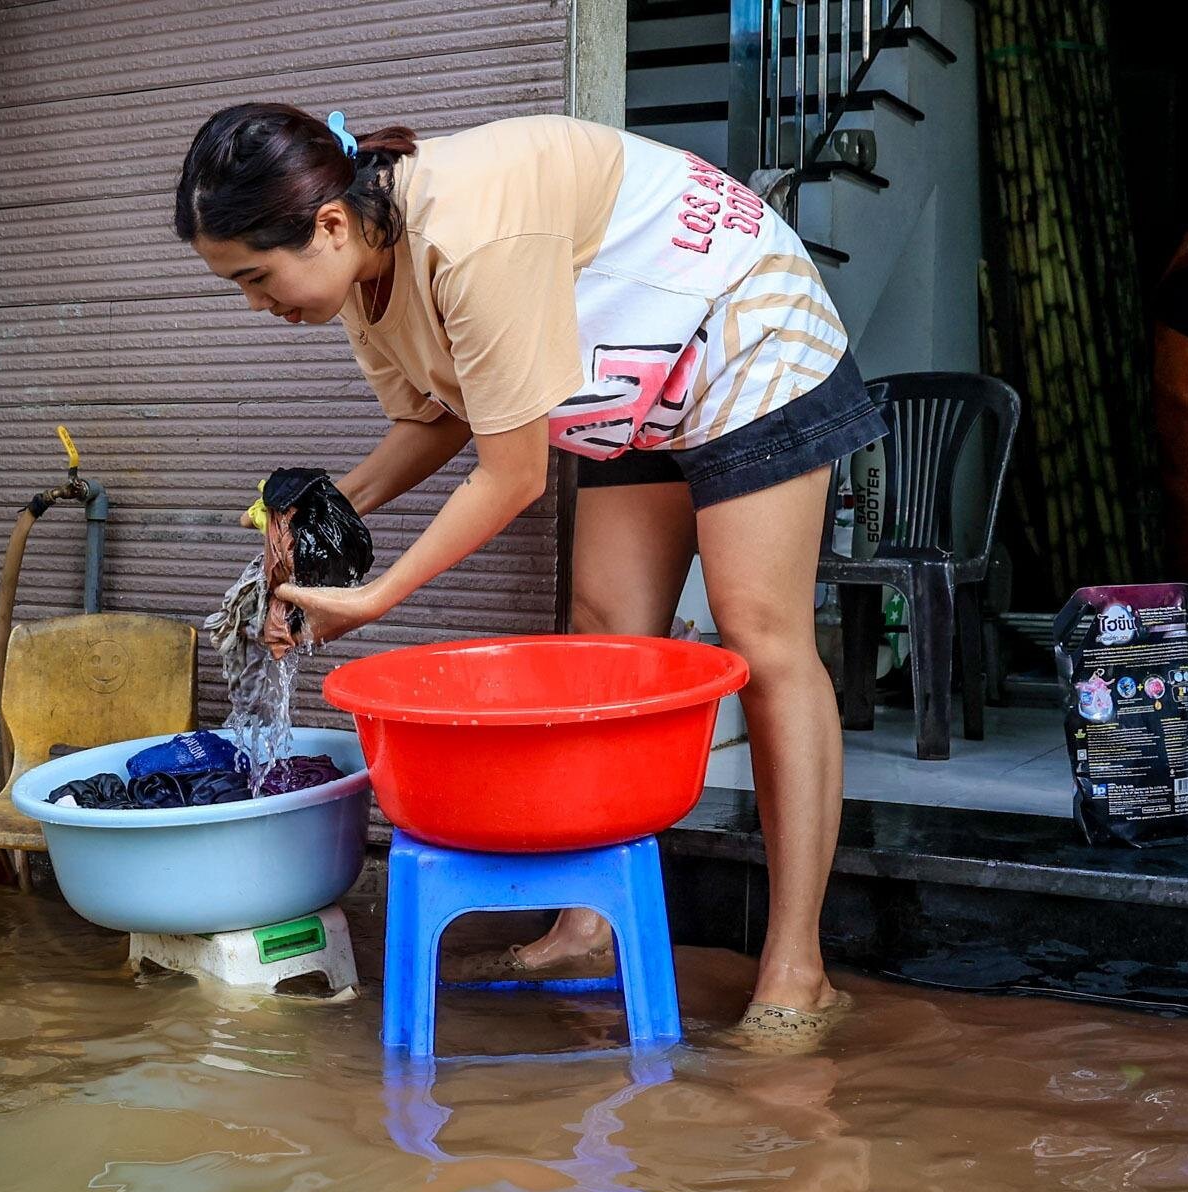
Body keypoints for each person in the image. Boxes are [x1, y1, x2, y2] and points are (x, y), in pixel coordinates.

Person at [174, 106, 881, 1042]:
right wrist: (321, 513)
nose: (255, 305)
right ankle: (589, 929)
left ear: (330, 223)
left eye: (256, 278)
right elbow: (438, 421)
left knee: (761, 635)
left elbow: (513, 475)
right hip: (629, 373)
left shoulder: (469, 234)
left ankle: (798, 969)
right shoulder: (364, 283)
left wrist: (376, 597)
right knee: (607, 634)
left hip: (743, 324)